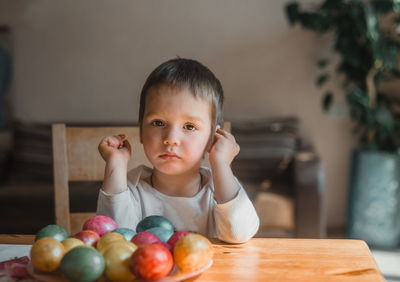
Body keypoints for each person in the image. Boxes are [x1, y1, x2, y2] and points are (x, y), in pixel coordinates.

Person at [97, 58, 259, 243]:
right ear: (141, 131)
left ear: (212, 139)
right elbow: (114, 242)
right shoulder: (129, 189)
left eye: (189, 126)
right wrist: (116, 165)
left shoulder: (219, 188)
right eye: (158, 123)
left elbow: (240, 233)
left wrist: (221, 163)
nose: (171, 139)